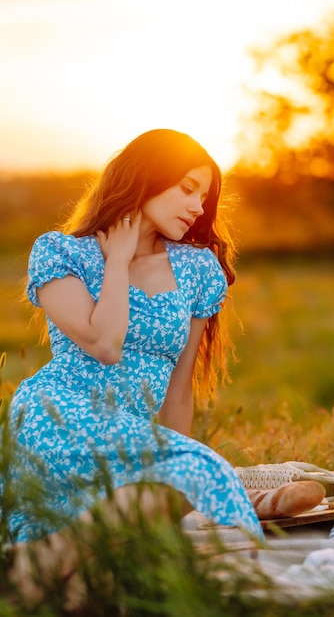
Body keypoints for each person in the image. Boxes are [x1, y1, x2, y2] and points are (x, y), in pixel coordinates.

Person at [5, 129, 264, 598]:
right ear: (146, 178)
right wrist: (119, 261)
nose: (198, 206)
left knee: (185, 486)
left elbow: (180, 391)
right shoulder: (61, 253)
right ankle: (39, 564)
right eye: (187, 188)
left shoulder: (198, 269)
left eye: (204, 197)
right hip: (56, 415)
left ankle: (42, 563)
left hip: (127, 436)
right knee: (204, 472)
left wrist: (174, 473)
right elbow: (105, 344)